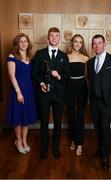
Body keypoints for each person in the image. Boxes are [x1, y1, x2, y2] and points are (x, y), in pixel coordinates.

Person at [32, 27, 69, 159]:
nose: (54, 38)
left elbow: (67, 75)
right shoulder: (40, 53)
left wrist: (58, 76)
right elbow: (34, 73)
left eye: (56, 36)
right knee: (44, 122)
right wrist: (41, 83)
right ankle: (44, 148)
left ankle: (55, 147)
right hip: (44, 94)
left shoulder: (63, 56)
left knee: (58, 122)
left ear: (59, 39)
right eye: (52, 36)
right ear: (48, 38)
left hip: (59, 94)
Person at [87, 34, 111, 170]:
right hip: (95, 101)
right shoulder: (90, 62)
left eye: (99, 43)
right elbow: (90, 81)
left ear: (104, 44)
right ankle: (101, 149)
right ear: (92, 46)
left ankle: (105, 156)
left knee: (105, 128)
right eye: (94, 43)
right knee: (97, 128)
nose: (97, 46)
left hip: (108, 101)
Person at [6, 33, 37, 154]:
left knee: (26, 118)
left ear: (28, 43)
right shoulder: (12, 56)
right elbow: (11, 76)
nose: (23, 43)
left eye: (25, 41)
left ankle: (24, 140)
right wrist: (18, 92)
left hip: (29, 91)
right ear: (17, 44)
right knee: (18, 118)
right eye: (21, 41)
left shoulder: (30, 57)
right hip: (18, 91)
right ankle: (18, 141)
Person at [65, 34, 89, 156]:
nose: (78, 44)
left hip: (81, 86)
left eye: (80, 42)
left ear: (82, 44)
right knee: (70, 114)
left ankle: (79, 144)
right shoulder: (66, 57)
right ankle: (73, 139)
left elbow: (90, 77)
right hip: (69, 86)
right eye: (75, 41)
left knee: (80, 115)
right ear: (72, 43)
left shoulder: (85, 58)